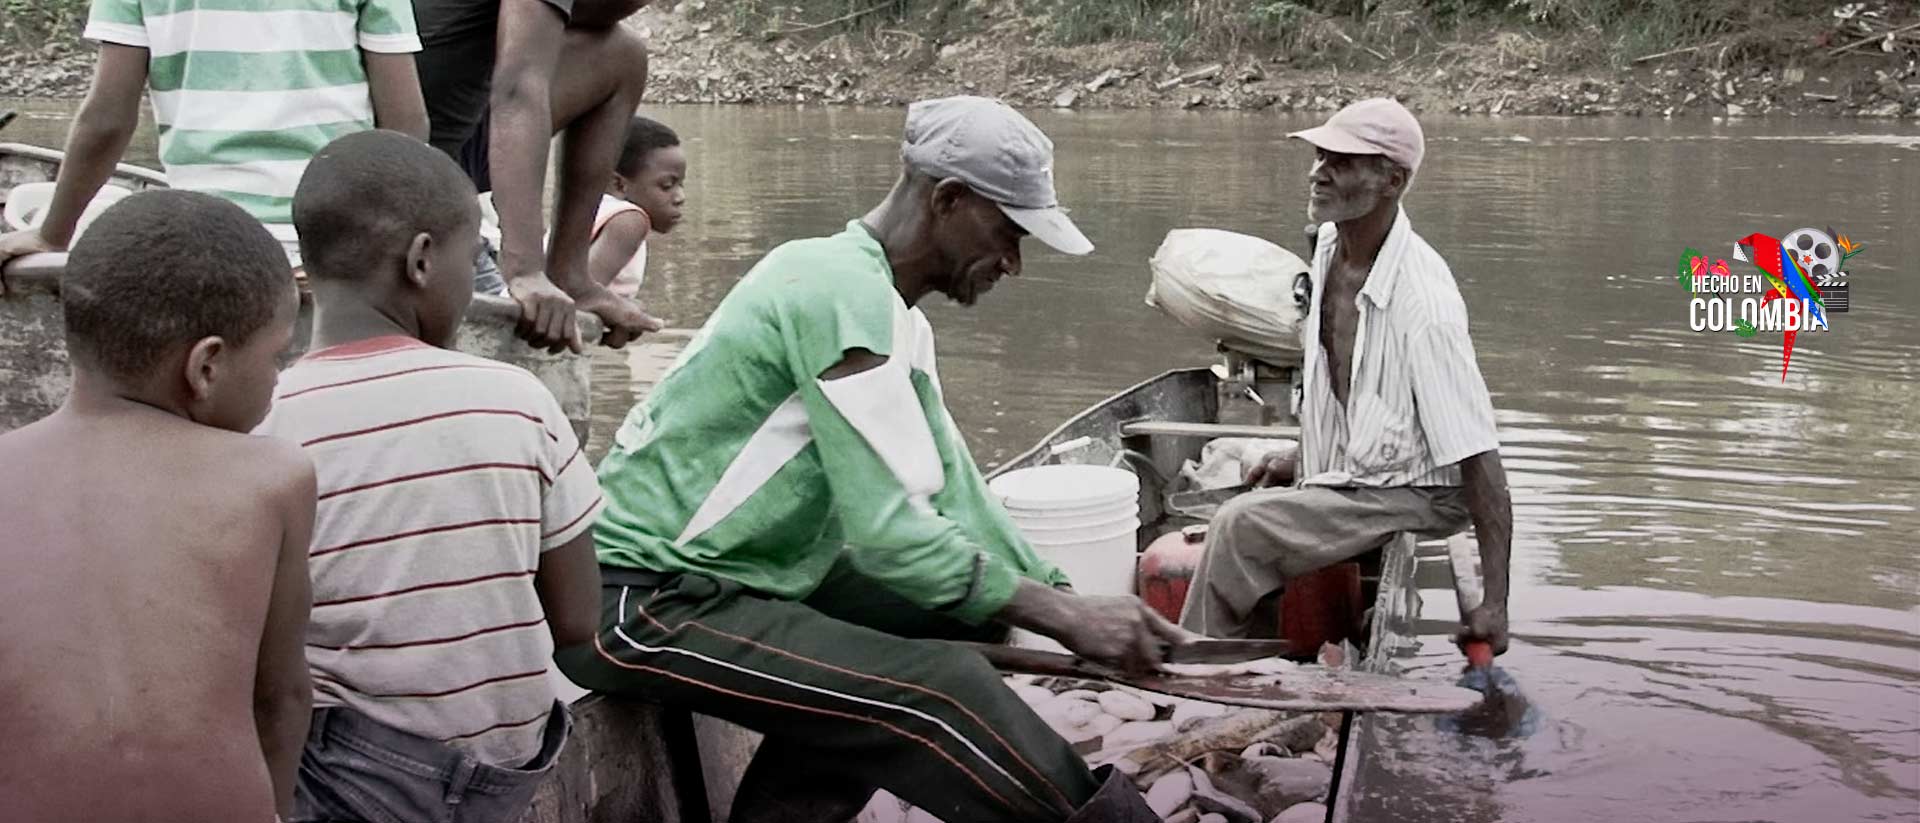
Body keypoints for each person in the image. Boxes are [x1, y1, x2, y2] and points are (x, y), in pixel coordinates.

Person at [556, 96, 1172, 823]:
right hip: (640, 596)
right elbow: (888, 535)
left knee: (965, 618)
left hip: (740, 575)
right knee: (940, 691)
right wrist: (1064, 614)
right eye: (1009, 232)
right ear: (947, 198)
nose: (1013, 262)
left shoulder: (894, 316)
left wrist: (1066, 596)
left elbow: (956, 494)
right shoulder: (835, 287)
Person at [254, 130, 605, 822]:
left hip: (343, 776)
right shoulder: (518, 398)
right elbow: (576, 619)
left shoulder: (265, 423)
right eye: (472, 257)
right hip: (505, 770)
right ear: (421, 260)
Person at [0, 190, 313, 821]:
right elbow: (281, 700)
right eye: (277, 354)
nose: (278, 375)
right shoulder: (272, 477)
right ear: (207, 367)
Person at [1178, 98, 1514, 658]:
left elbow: (1481, 460)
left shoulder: (1424, 306)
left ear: (1392, 181)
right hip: (1365, 467)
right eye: (1318, 155)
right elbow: (1346, 386)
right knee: (1248, 484)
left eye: (1341, 160)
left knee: (1239, 528)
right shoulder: (1332, 243)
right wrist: (1306, 459)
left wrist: (1496, 605)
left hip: (1419, 491)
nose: (1317, 171)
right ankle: (1256, 661)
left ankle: (1192, 681)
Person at [0, 0, 428, 271]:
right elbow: (406, 126)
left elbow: (107, 121)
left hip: (203, 237)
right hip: (334, 241)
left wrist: (52, 235)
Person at [412, 0, 663, 352]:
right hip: (393, 144)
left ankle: (571, 274)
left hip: (450, 140)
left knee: (622, 55)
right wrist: (525, 271)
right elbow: (517, 90)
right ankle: (527, 267)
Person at [585, 114, 685, 299]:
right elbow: (578, 296)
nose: (680, 197)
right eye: (666, 186)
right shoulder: (629, 221)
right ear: (619, 184)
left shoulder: (586, 211)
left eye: (681, 185)